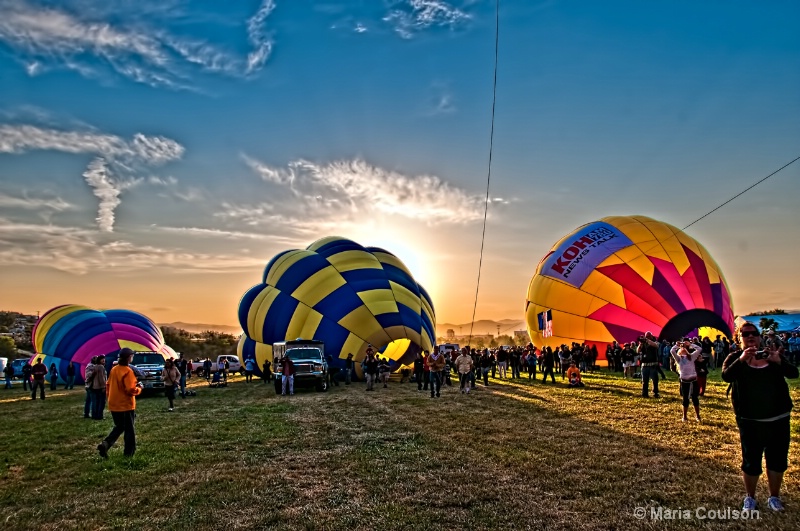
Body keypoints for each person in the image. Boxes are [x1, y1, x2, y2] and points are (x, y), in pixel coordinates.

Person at [722, 322, 799, 513]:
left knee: (777, 460)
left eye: (754, 334)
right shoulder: (734, 358)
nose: (750, 337)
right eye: (745, 334)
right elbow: (726, 376)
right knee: (751, 461)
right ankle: (750, 498)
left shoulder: (771, 356)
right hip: (750, 421)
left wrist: (779, 361)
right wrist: (741, 360)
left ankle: (774, 497)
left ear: (759, 336)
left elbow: (793, 373)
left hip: (778, 419)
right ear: (738, 339)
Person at [97, 348, 143, 458]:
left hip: (114, 404)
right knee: (129, 430)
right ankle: (129, 454)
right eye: (132, 356)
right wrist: (139, 388)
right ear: (129, 358)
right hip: (125, 405)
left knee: (119, 426)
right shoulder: (128, 371)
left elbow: (108, 385)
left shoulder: (114, 369)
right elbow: (130, 389)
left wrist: (110, 398)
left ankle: (106, 444)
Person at [670, 340, 703, 422]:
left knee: (695, 398)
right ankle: (684, 416)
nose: (683, 349)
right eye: (681, 349)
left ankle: (698, 416)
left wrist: (690, 344)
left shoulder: (691, 357)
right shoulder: (679, 359)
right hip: (684, 381)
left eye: (684, 348)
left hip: (693, 380)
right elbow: (672, 351)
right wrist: (677, 345)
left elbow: (699, 349)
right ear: (679, 352)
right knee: (685, 399)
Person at [637, 332, 661, 398]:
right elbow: (638, 351)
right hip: (644, 365)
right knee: (645, 380)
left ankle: (655, 393)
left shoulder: (654, 341)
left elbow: (656, 346)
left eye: (648, 336)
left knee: (655, 380)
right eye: (646, 336)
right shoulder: (643, 343)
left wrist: (647, 340)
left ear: (651, 336)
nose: (647, 337)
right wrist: (640, 344)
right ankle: (645, 394)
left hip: (653, 364)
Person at [91, 355, 108, 420]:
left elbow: (91, 376)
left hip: (95, 387)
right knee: (102, 402)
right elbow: (102, 378)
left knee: (96, 402)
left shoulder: (95, 367)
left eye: (104, 359)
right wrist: (104, 386)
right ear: (99, 360)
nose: (103, 360)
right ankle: (100, 416)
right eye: (102, 359)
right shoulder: (101, 367)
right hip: (101, 387)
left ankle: (95, 415)